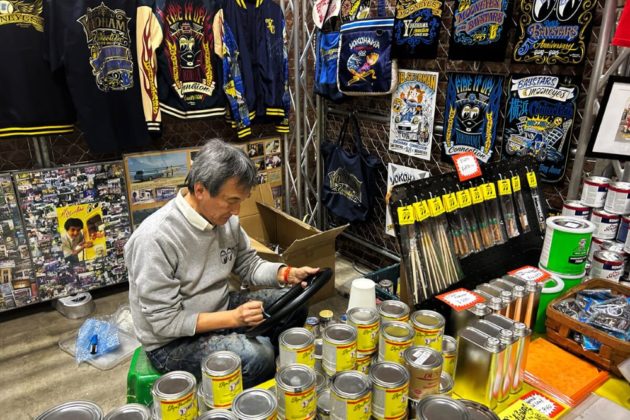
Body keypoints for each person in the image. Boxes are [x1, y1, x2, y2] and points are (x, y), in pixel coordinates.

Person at [125, 139, 318, 387]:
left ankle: (267, 377)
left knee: (294, 303)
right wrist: (234, 319)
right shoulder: (155, 238)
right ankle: (252, 385)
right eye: (231, 200)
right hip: (172, 343)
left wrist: (287, 274)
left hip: (220, 308)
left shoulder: (225, 221)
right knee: (259, 357)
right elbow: (165, 323)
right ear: (200, 190)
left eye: (241, 201)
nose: (237, 211)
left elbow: (249, 266)